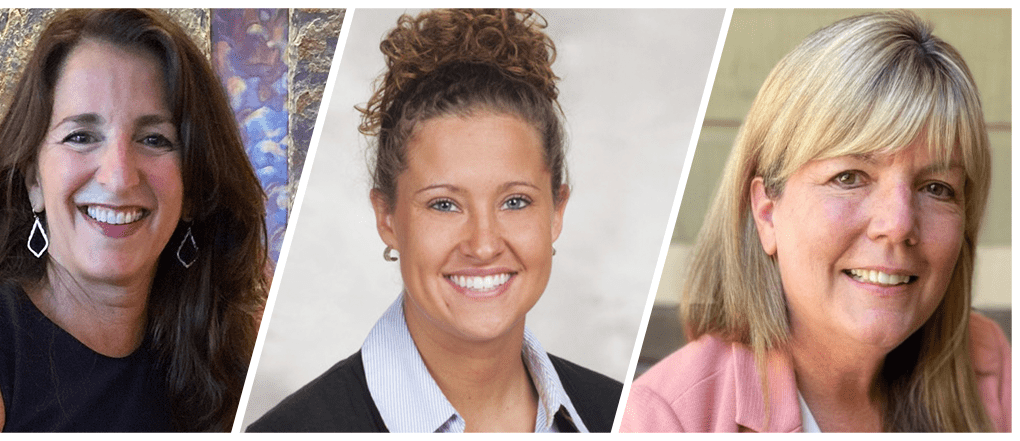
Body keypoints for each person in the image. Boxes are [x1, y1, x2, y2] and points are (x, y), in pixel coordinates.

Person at [0, 9, 269, 432]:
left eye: (154, 139)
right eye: (81, 136)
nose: (118, 176)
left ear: (194, 186)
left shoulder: (231, 356)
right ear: (33, 180)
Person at [621, 10, 1009, 432]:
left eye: (936, 188)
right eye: (849, 178)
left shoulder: (990, 369)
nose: (898, 224)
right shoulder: (665, 419)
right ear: (767, 213)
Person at [247, 9, 619, 433]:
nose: (483, 245)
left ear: (557, 212)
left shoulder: (623, 415)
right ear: (387, 217)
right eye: (444, 205)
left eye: (515, 202)